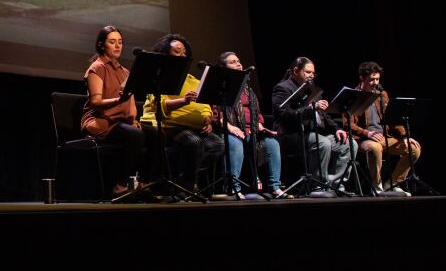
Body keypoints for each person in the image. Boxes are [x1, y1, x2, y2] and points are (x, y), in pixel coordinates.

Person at [140, 33, 224, 193]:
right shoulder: (162, 77)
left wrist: (207, 118)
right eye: (177, 51)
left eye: (184, 52)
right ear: (166, 54)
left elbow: (205, 105)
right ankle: (189, 185)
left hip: (195, 127)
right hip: (172, 126)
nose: (182, 55)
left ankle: (182, 179)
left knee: (218, 145)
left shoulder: (193, 79)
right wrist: (183, 101)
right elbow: (160, 105)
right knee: (195, 143)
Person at [271, 56, 356, 194]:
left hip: (315, 133)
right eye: (308, 72)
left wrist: (337, 129)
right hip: (292, 135)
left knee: (349, 144)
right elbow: (283, 115)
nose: (311, 76)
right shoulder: (283, 88)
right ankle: (317, 186)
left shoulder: (313, 89)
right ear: (296, 70)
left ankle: (335, 183)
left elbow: (325, 115)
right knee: (322, 143)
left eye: (313, 73)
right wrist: (310, 109)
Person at [217, 51, 291, 199]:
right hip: (230, 130)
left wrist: (260, 126)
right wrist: (231, 128)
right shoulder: (220, 86)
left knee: (272, 144)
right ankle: (233, 188)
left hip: (251, 131)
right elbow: (215, 113)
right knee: (235, 144)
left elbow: (256, 114)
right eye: (233, 62)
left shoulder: (247, 88)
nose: (238, 64)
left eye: (238, 61)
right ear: (223, 67)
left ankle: (274, 187)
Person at [82, 25, 143, 199]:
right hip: (100, 121)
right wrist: (118, 100)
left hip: (120, 122)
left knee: (154, 133)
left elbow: (131, 101)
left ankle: (146, 183)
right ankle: (120, 185)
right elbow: (95, 102)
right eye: (112, 42)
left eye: (120, 42)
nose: (118, 46)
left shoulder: (125, 71)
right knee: (134, 135)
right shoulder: (97, 67)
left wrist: (133, 119)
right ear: (102, 45)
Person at [350, 61, 421, 196]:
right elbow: (349, 124)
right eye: (372, 79)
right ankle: (377, 185)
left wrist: (404, 136)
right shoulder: (353, 95)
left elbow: (393, 119)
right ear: (362, 78)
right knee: (375, 148)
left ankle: (394, 183)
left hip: (384, 137)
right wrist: (367, 133)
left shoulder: (382, 95)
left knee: (414, 149)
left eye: (377, 79)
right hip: (363, 139)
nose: (375, 82)